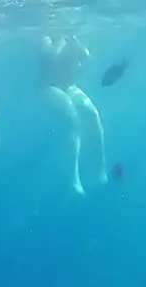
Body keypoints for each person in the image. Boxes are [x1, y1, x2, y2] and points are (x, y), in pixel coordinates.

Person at [38, 34, 108, 196]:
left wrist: (79, 51)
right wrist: (63, 48)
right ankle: (73, 179)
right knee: (70, 117)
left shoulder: (67, 33)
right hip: (43, 86)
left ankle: (100, 170)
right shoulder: (46, 35)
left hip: (67, 85)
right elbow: (45, 59)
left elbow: (84, 56)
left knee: (91, 113)